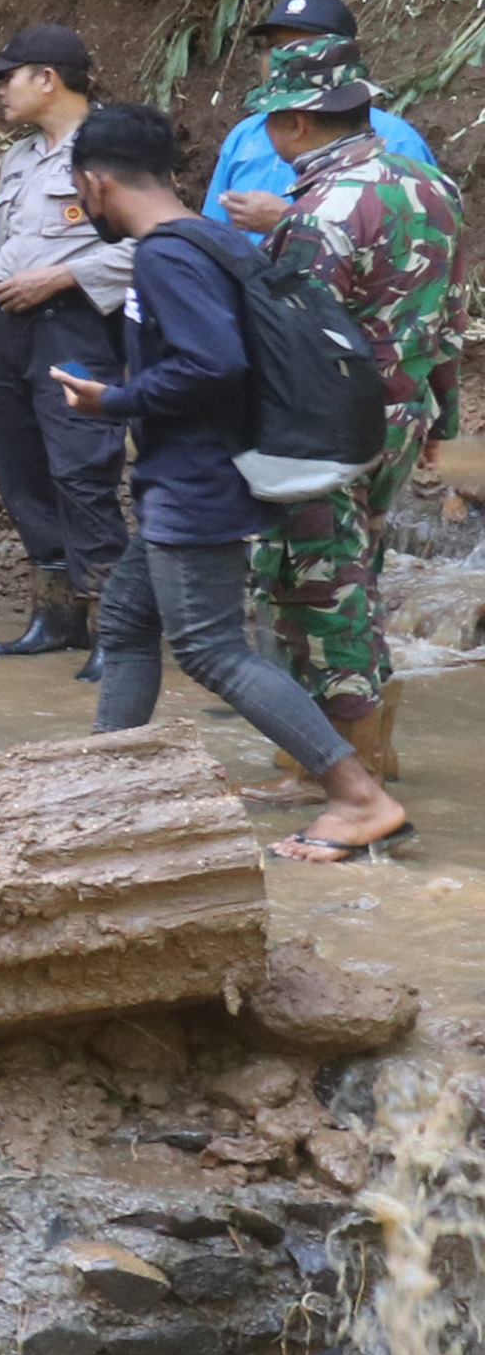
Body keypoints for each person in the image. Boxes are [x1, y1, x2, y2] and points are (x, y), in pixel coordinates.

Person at [50, 103, 408, 864]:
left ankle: (357, 796)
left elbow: (213, 363)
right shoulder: (212, 236)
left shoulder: (164, 256)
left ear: (94, 181)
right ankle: (109, 789)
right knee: (124, 620)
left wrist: (111, 399)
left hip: (196, 476)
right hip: (192, 471)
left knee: (211, 648)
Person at [226, 48, 466, 797]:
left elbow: (291, 339)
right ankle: (369, 751)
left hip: (331, 425)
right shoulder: (432, 184)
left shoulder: (319, 213)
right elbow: (453, 315)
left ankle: (338, 773)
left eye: (271, 121)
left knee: (316, 585)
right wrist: (441, 418)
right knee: (358, 571)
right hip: (403, 410)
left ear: (294, 123)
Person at [0, 22, 126, 673]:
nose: (0, 90)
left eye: (8, 77)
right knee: (18, 465)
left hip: (75, 326)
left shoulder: (117, 146)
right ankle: (57, 616)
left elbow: (157, 244)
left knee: (81, 468)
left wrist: (65, 275)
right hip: (6, 332)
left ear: (46, 79)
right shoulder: (18, 158)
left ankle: (117, 627)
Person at [203, 0, 435, 211]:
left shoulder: (397, 142)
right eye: (275, 47)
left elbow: (415, 239)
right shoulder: (244, 138)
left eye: (302, 47)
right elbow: (212, 235)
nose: (282, 60)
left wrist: (289, 223)